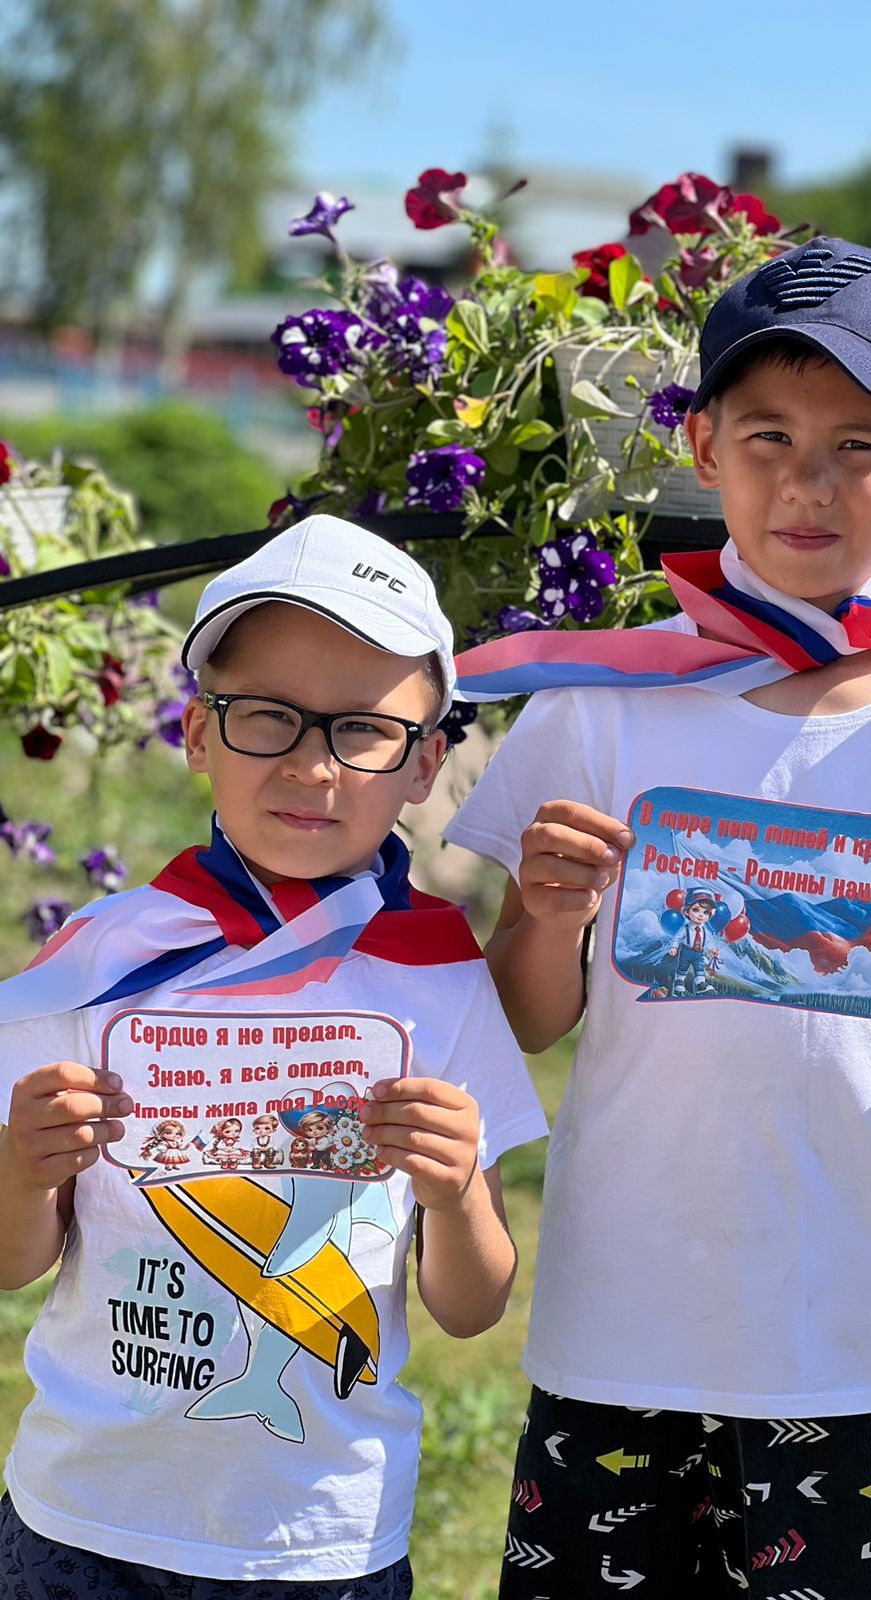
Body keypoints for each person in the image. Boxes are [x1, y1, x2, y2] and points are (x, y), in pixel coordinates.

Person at [444, 237, 871, 1598]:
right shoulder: (605, 700)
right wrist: (541, 915)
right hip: (622, 1320)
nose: (806, 483)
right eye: (766, 436)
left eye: (860, 445)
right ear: (702, 447)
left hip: (867, 1334)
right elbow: (521, 1019)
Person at [0, 515, 548, 1599]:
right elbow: (13, 1260)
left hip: (319, 1541)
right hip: (81, 1515)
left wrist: (454, 1196)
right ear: (199, 731)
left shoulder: (440, 975)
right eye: (269, 717)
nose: (311, 764)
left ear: (425, 762)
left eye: (363, 730)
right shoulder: (99, 958)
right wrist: (25, 1167)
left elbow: (474, 1305)